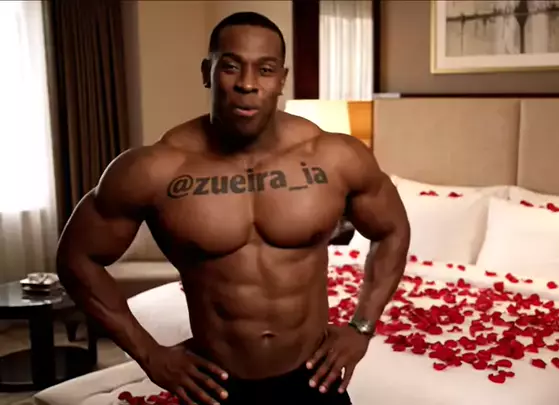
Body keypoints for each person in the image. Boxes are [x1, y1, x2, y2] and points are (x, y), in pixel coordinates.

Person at [55, 11, 410, 405]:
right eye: (231, 66)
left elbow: (392, 229)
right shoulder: (154, 168)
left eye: (265, 69)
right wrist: (150, 355)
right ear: (207, 72)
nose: (247, 83)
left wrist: (361, 327)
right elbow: (76, 259)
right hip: (214, 385)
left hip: (315, 376)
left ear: (281, 79)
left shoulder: (336, 157)